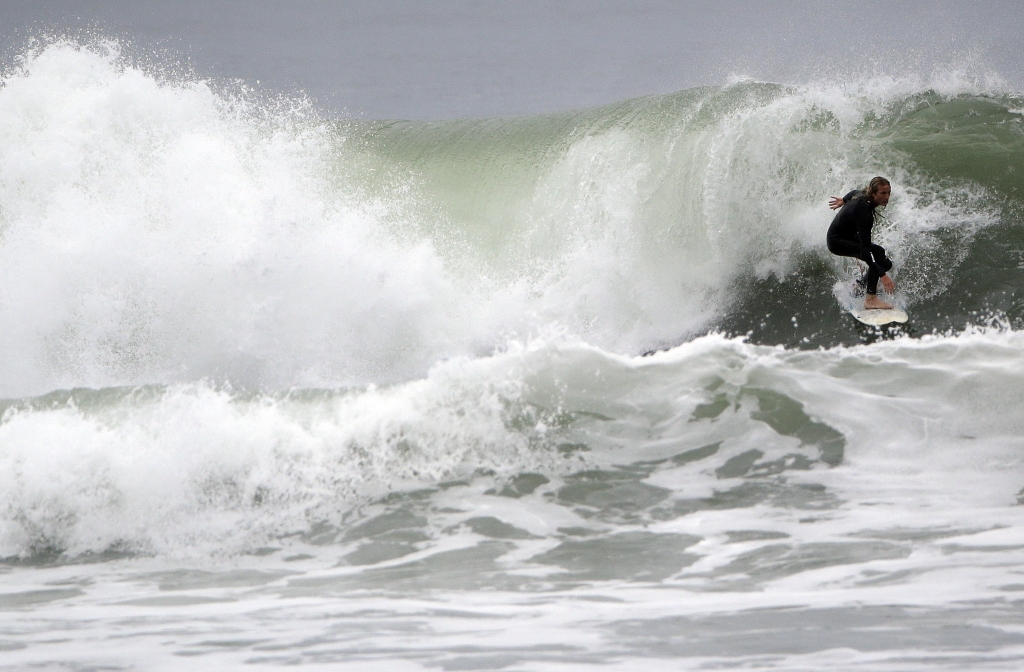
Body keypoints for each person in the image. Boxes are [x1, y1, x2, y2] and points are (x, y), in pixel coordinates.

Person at [826, 176, 896, 310]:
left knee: (883, 258)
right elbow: (865, 251)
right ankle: (870, 299)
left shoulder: (863, 193)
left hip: (847, 236)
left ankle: (860, 286)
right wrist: (883, 275)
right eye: (883, 193)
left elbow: (852, 193)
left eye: (888, 192)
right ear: (874, 193)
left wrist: (844, 200)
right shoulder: (865, 214)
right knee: (878, 262)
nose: (887, 197)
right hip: (837, 242)